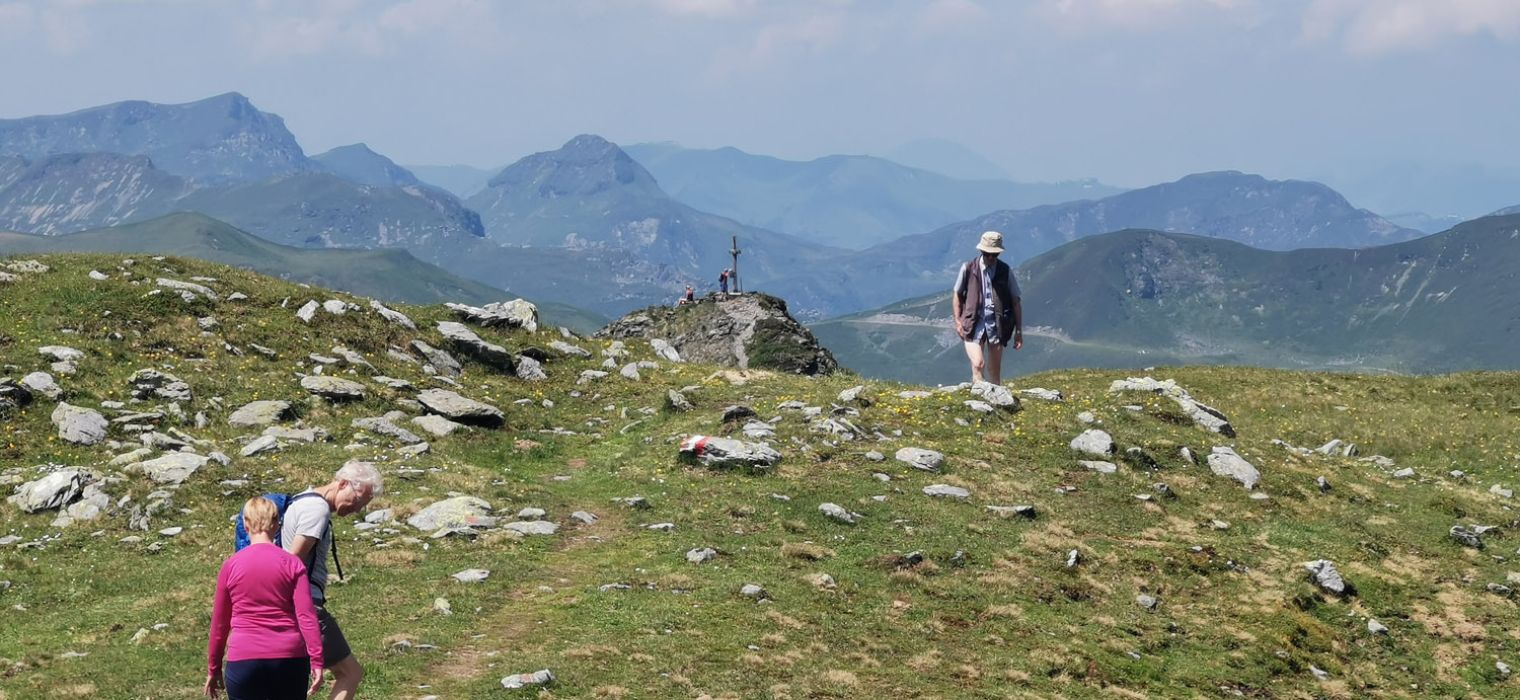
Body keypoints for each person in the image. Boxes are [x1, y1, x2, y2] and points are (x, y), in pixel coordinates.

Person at [282, 461, 383, 700]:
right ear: (343, 484)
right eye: (358, 500)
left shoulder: (301, 499)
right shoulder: (318, 510)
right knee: (350, 673)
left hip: (290, 605)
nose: (358, 509)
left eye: (364, 505)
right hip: (305, 606)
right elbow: (290, 561)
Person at [207, 496, 324, 700]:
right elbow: (306, 615)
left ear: (245, 523)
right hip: (289, 657)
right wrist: (317, 660)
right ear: (277, 524)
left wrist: (214, 667)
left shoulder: (230, 566)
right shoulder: (292, 564)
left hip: (244, 658)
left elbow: (220, 623)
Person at [951, 230, 1023, 385]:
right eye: (987, 253)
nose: (991, 257)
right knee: (978, 363)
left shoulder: (1005, 271)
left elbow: (1016, 301)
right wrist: (957, 321)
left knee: (994, 370)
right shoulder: (968, 268)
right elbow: (957, 294)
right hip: (972, 323)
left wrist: (1018, 331)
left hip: (997, 324)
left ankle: (995, 402)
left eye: (994, 254)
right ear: (981, 251)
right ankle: (978, 394)